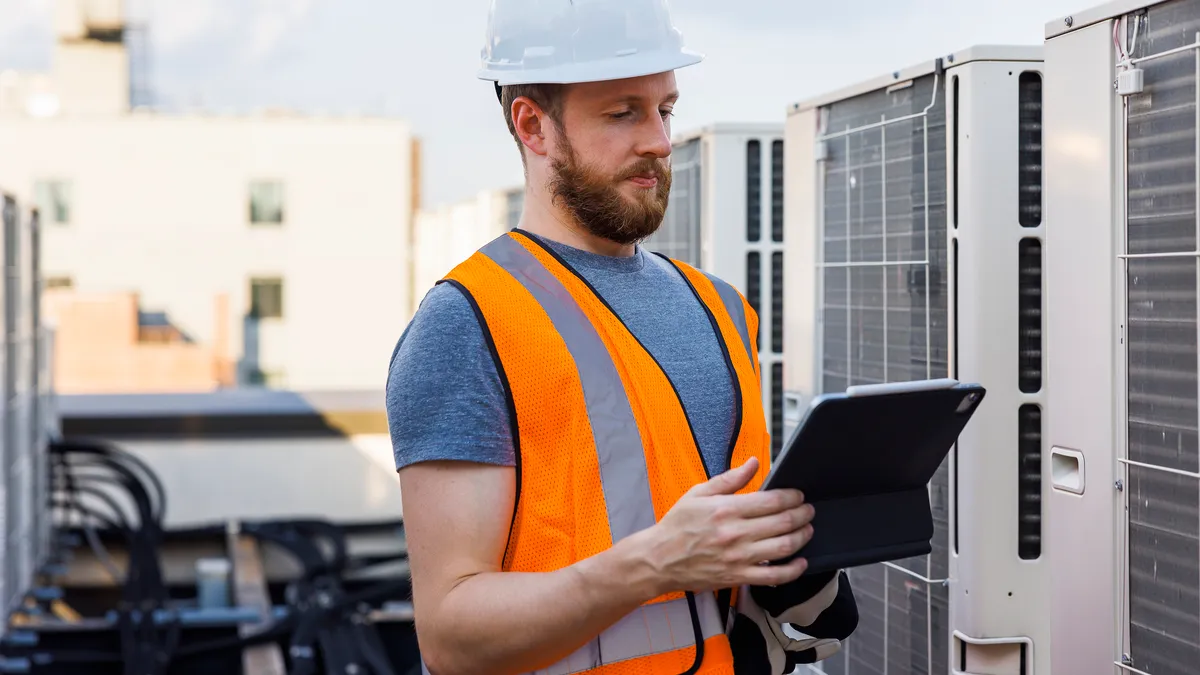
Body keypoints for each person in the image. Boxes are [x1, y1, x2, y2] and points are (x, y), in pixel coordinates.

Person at [386, 1, 858, 673]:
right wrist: (657, 558)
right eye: (623, 112)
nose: (661, 141)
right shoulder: (469, 324)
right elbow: (451, 635)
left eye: (665, 109)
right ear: (533, 125)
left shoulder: (722, 308)